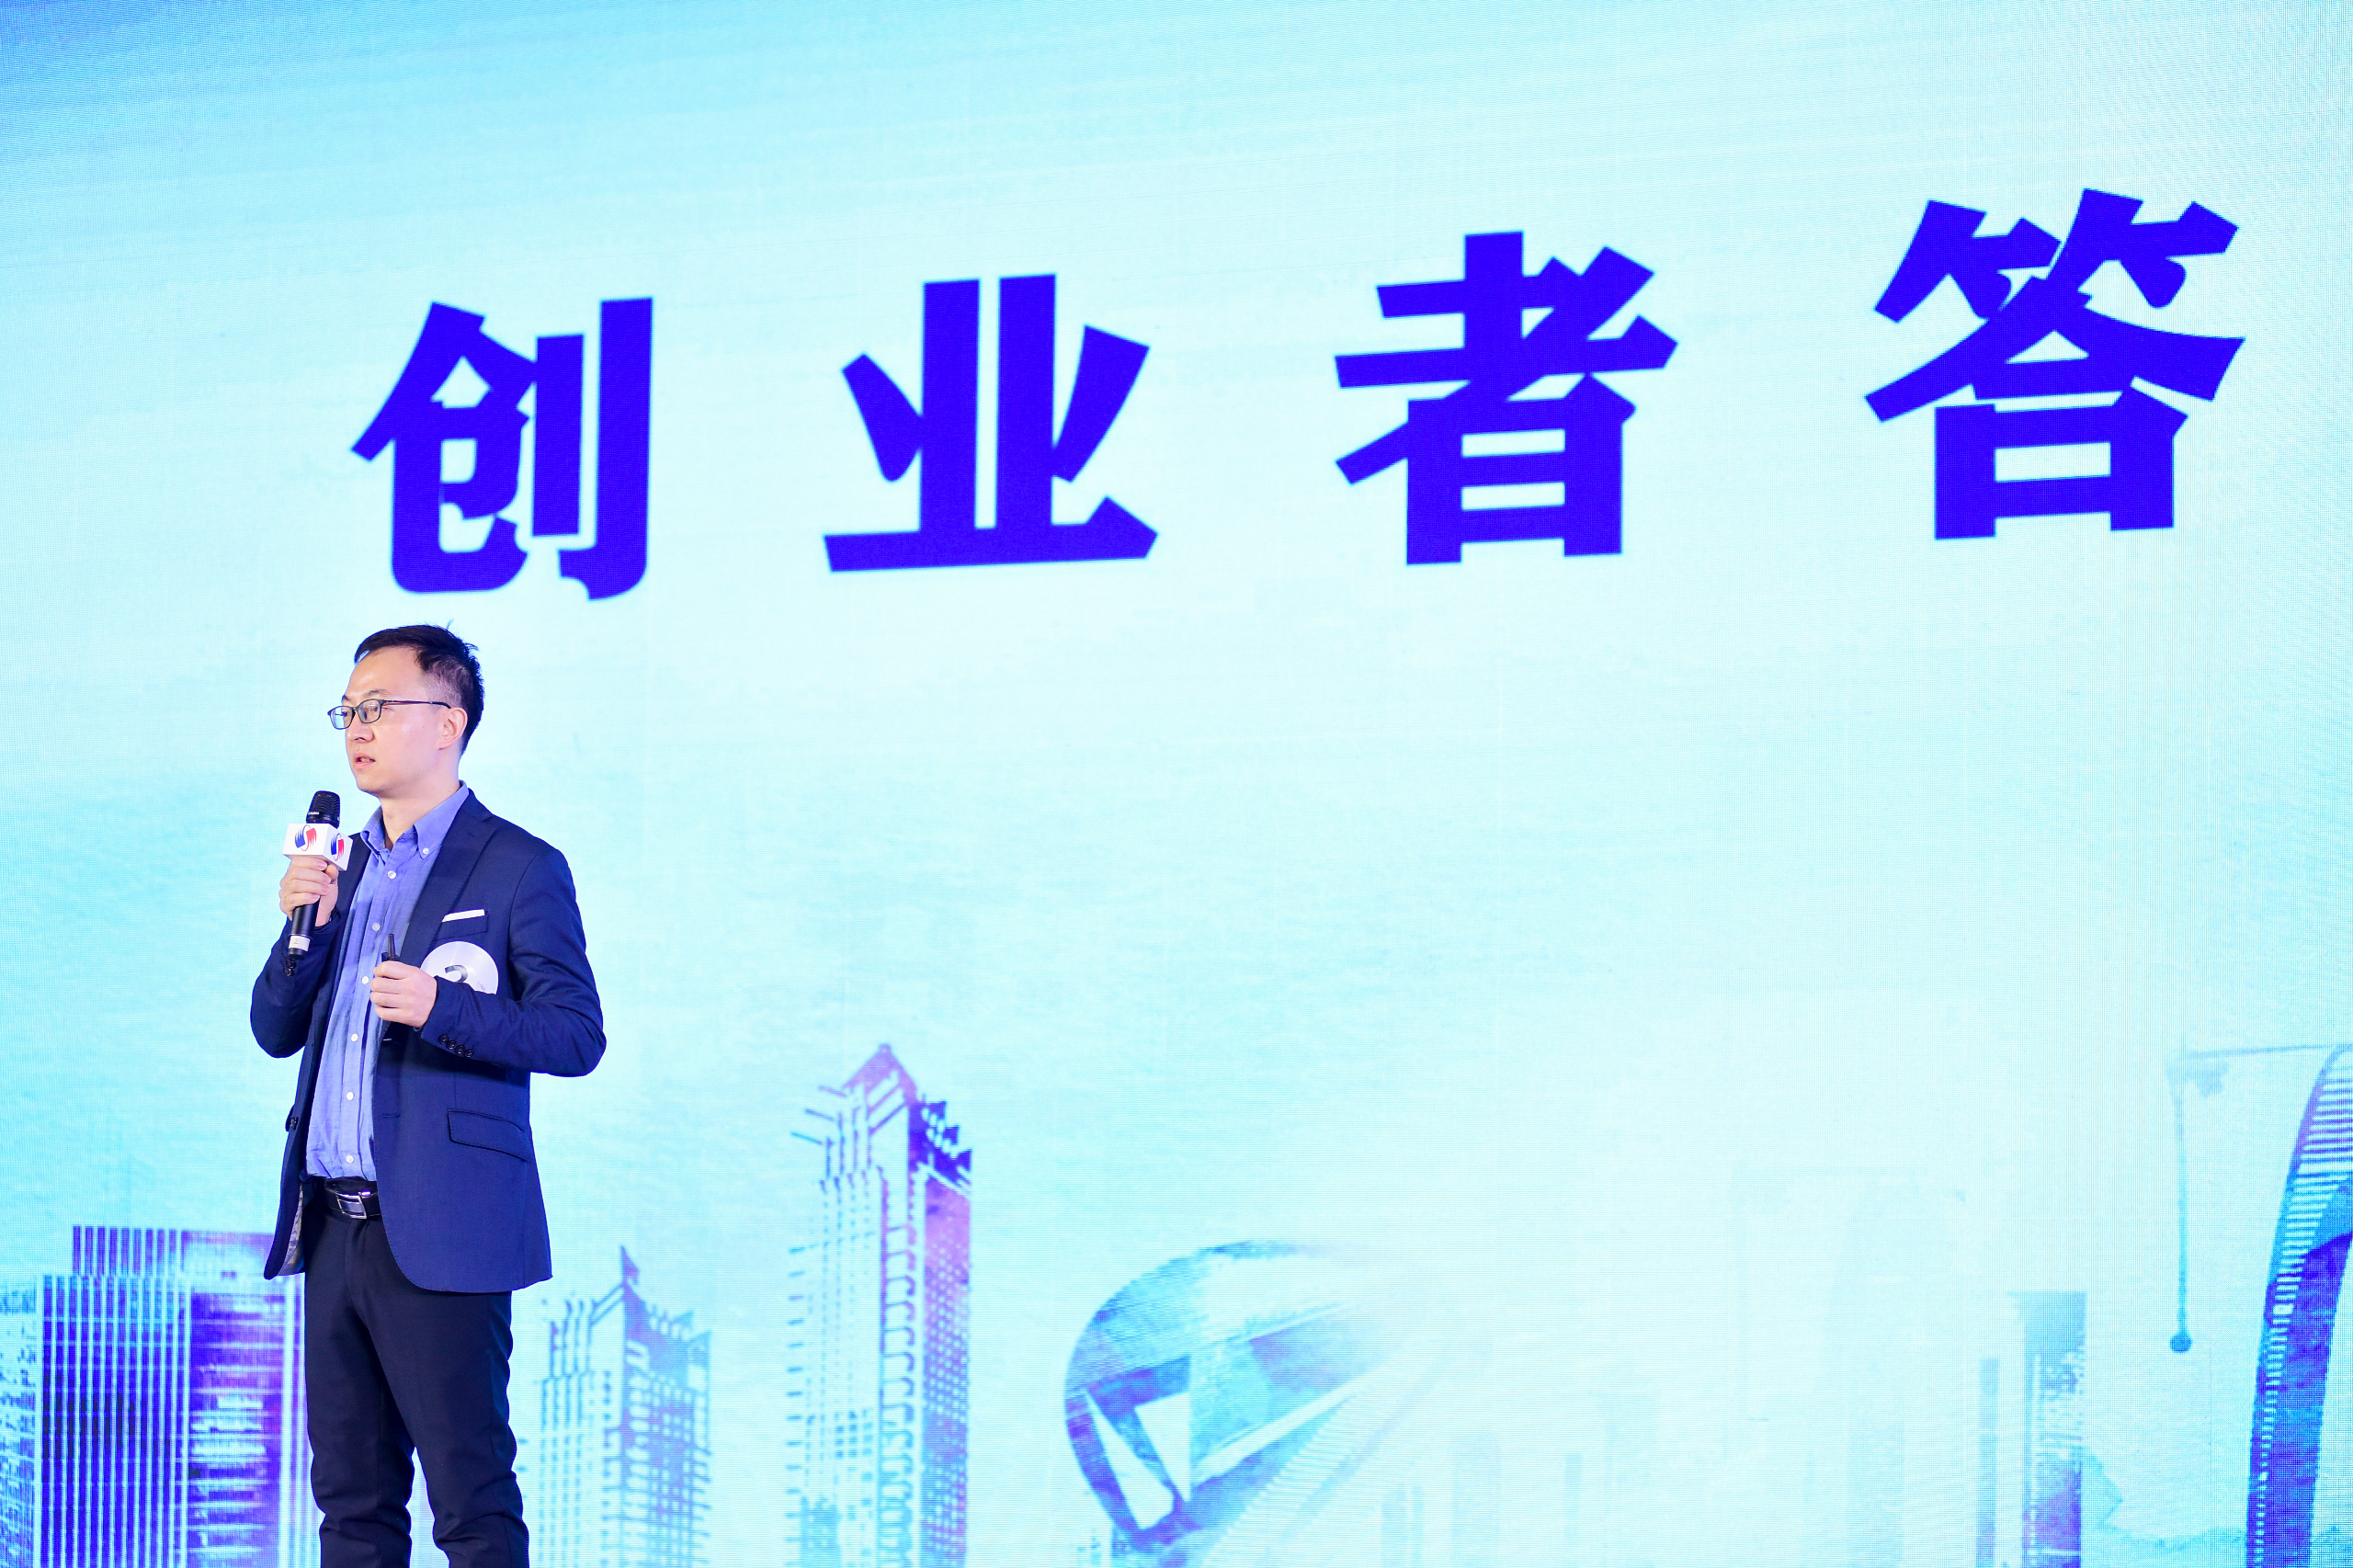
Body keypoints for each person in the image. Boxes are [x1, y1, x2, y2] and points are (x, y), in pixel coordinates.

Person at [250, 625, 604, 1566]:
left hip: (444, 1230)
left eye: (378, 706)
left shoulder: (518, 864)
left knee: (470, 1502)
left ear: (448, 722)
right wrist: (301, 932)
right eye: (347, 711)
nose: (357, 728)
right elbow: (274, 1027)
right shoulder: (340, 867)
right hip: (335, 1229)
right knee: (351, 1506)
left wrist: (445, 1007)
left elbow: (574, 1034)